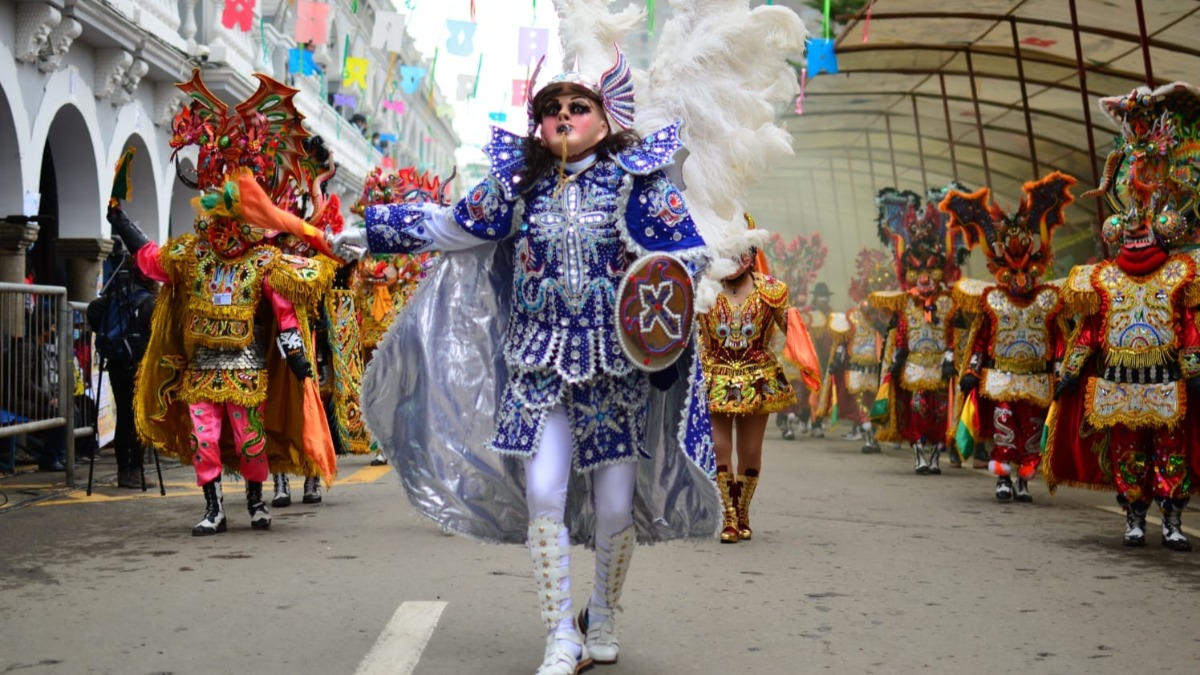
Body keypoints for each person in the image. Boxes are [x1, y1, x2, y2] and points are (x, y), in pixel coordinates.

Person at [110, 69, 337, 535]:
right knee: (205, 439)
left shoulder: (263, 261)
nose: (222, 227)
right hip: (200, 368)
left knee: (250, 441)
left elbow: (287, 310)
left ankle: (255, 501)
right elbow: (152, 259)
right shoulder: (192, 256)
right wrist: (120, 221)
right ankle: (213, 508)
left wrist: (298, 361)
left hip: (247, 368)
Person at [1044, 83, 1200, 551]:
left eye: (1143, 221)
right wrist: (1070, 371)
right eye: (1127, 222)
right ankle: (1134, 515)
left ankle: (1171, 519)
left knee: (1171, 452)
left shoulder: (1180, 272)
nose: (1134, 228)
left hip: (1167, 379)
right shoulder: (1104, 279)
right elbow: (1092, 331)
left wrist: (1193, 368)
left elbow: (1187, 327)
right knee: (1128, 450)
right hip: (1120, 383)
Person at [942, 173, 1075, 503]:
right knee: (1004, 425)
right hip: (1000, 376)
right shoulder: (993, 301)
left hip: (1035, 380)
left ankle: (1024, 480)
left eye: (1025, 271)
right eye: (1012, 272)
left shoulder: (1048, 300)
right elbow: (981, 340)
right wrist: (972, 373)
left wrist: (1061, 374)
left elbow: (1058, 341)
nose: (1019, 278)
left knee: (1031, 429)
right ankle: (1003, 477)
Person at [698, 238, 814, 543]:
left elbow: (793, 326)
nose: (736, 260)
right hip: (716, 377)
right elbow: (689, 332)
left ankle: (743, 510)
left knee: (750, 452)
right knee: (719, 448)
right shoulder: (704, 288)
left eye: (742, 253)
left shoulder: (772, 290)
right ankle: (729, 517)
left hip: (758, 380)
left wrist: (807, 362)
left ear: (752, 256)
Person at [870, 184, 970, 475]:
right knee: (917, 409)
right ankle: (918, 453)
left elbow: (955, 335)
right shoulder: (907, 305)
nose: (925, 279)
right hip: (913, 369)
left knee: (939, 412)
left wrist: (953, 356)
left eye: (931, 272)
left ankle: (935, 455)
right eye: (918, 273)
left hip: (939, 367)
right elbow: (901, 333)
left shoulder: (950, 303)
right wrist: (898, 356)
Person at [87, 240, 158, 488]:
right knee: (137, 418)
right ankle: (135, 471)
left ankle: (122, 471)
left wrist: (109, 336)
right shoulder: (148, 299)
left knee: (124, 417)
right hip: (139, 363)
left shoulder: (115, 294)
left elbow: (93, 310)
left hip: (117, 360)